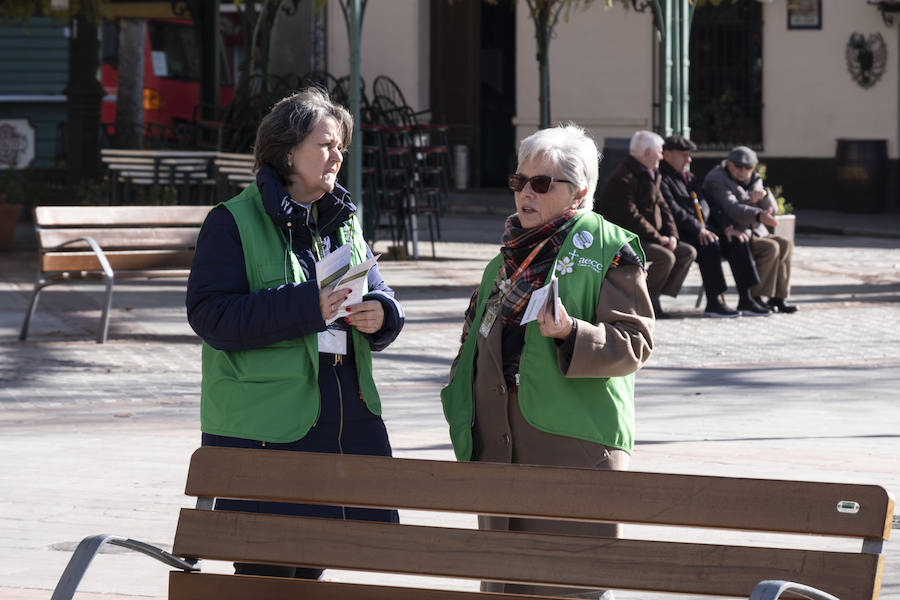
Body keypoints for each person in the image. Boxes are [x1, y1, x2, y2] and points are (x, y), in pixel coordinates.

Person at [185, 88, 405, 579]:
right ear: (287, 151)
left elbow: (379, 288)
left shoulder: (341, 218)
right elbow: (211, 316)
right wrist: (307, 305)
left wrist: (382, 314)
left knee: (321, 554)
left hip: (341, 409)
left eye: (341, 147)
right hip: (269, 423)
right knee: (267, 566)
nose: (337, 157)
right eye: (325, 145)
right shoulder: (232, 221)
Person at [441, 124, 654, 598]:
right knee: (504, 585)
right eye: (520, 182)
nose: (525, 194)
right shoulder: (504, 259)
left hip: (572, 451)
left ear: (578, 193)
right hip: (501, 448)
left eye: (541, 183)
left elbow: (635, 342)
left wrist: (572, 333)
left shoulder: (610, 249)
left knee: (567, 584)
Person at [658, 135, 762, 317]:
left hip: (702, 228)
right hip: (683, 232)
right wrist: (700, 230)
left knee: (737, 241)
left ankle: (746, 299)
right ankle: (714, 301)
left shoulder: (689, 178)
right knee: (709, 244)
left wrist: (726, 227)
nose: (688, 159)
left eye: (689, 155)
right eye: (683, 155)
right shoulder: (663, 179)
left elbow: (709, 205)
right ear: (667, 155)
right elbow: (673, 211)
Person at [597, 130, 696, 318]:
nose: (661, 155)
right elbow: (631, 217)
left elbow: (664, 208)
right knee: (665, 257)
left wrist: (672, 236)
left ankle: (652, 294)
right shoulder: (624, 177)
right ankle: (644, 301)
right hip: (628, 240)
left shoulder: (652, 173)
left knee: (687, 252)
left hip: (651, 237)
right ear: (648, 152)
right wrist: (660, 239)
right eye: (659, 151)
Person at [703, 146, 798, 314]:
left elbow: (773, 210)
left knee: (785, 244)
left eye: (748, 168)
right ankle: (754, 297)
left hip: (752, 231)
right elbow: (732, 208)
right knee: (771, 248)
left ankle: (778, 297)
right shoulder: (717, 178)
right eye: (738, 166)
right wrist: (757, 212)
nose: (742, 171)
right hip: (730, 231)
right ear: (729, 164)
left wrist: (764, 196)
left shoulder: (754, 178)